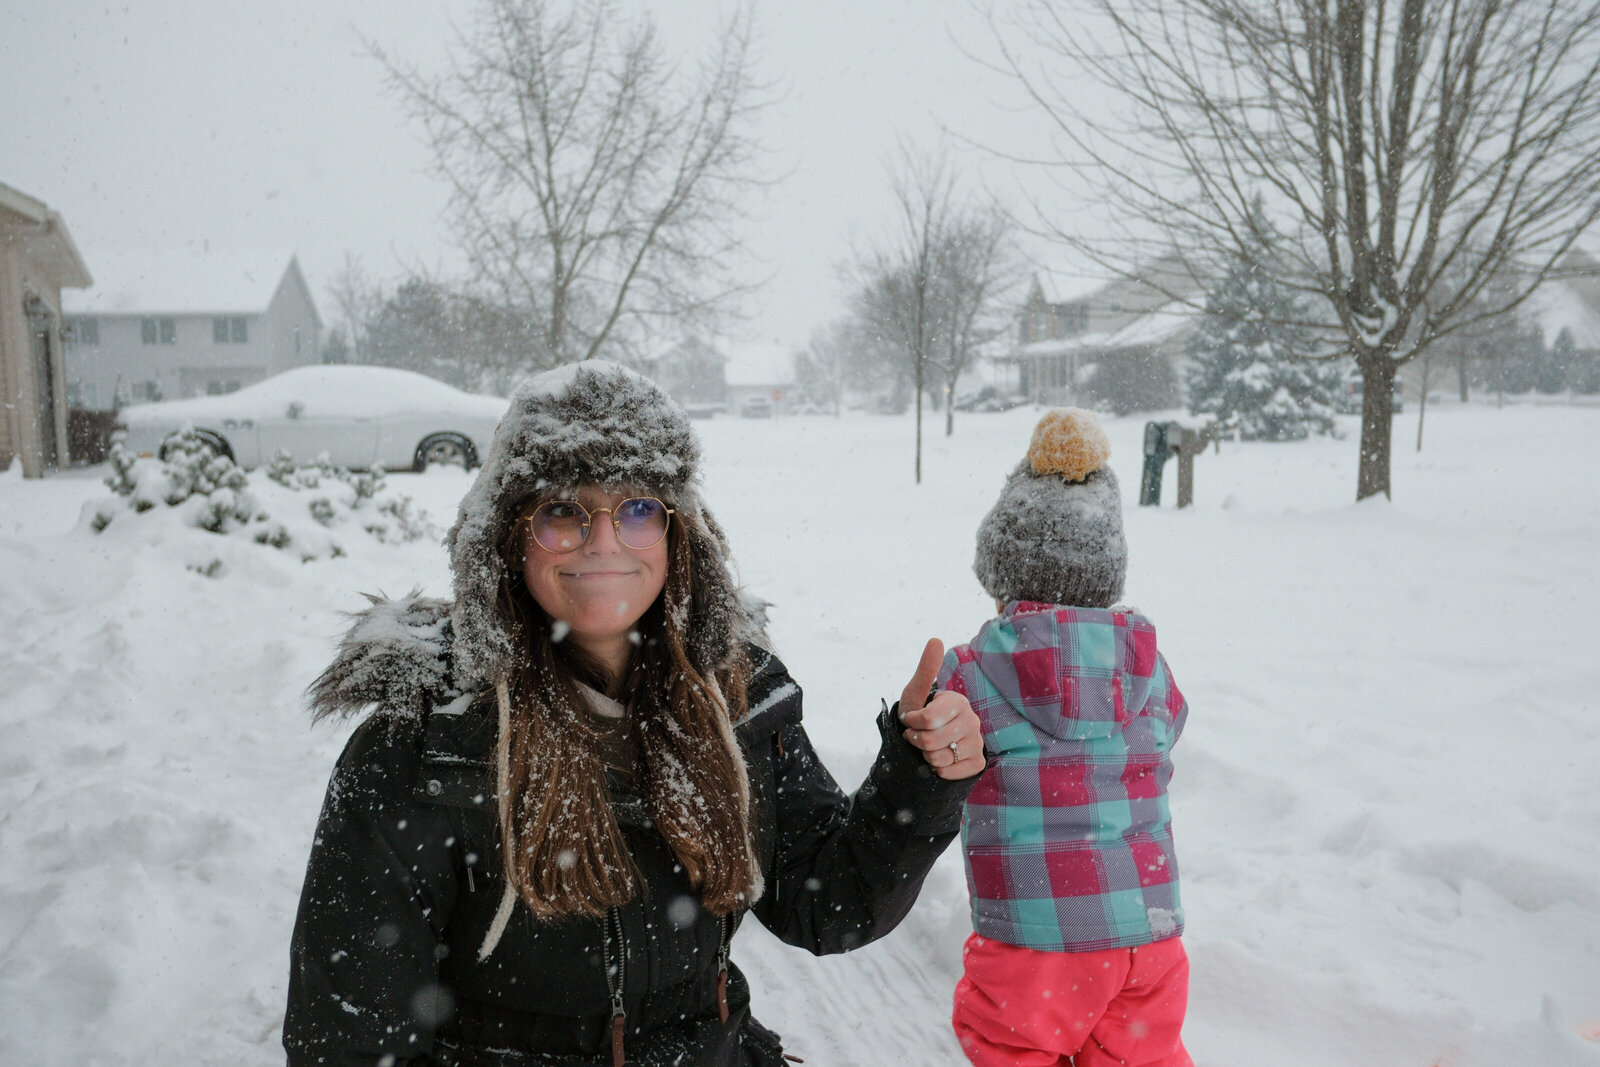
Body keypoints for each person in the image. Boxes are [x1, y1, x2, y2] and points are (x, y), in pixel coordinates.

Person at [283, 361, 984, 1067]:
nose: (604, 540)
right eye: (563, 510)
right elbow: (346, 1039)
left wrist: (917, 780)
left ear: (678, 534)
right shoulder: (422, 746)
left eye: (638, 508)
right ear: (507, 536)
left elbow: (828, 902)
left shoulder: (739, 702)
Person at [937, 408, 1193, 1067]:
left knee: (1013, 1051)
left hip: (1034, 943)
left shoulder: (969, 670)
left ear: (1001, 571)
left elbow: (935, 752)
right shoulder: (1150, 665)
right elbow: (1171, 726)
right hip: (1149, 936)